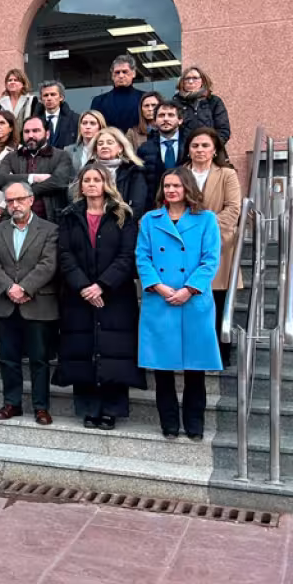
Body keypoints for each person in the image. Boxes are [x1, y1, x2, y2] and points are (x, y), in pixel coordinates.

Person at [53, 164, 144, 430]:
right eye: (87, 180)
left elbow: (127, 256)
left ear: (106, 183)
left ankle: (111, 410)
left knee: (114, 351)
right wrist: (83, 286)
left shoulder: (122, 215)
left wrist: (102, 285)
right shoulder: (69, 215)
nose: (92, 184)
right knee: (83, 351)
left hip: (114, 295)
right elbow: (65, 254)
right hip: (78, 296)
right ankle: (89, 409)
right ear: (80, 186)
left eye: (97, 179)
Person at [137, 168, 222, 440]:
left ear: (187, 188)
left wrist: (189, 289)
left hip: (194, 301)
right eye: (167, 185)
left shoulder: (206, 219)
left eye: (176, 185)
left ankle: (195, 424)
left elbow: (210, 259)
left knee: (195, 368)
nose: (171, 190)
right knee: (163, 368)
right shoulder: (151, 220)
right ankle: (169, 424)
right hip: (159, 300)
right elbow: (143, 257)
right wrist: (160, 287)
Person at [0, 182, 59, 425]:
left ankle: (41, 407)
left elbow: (48, 264)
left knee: (39, 359)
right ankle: (12, 403)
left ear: (30, 200)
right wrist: (9, 288)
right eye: (8, 201)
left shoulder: (49, 229)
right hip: (6, 305)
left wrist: (25, 288)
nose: (14, 205)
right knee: (8, 358)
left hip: (37, 304)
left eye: (18, 199)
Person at [186, 127, 242, 367]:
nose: (200, 150)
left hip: (219, 245)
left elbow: (233, 210)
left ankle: (221, 353)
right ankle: (195, 352)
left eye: (205, 145)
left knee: (218, 302)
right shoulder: (178, 174)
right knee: (192, 302)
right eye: (195, 145)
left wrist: (204, 228)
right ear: (188, 149)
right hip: (185, 246)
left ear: (215, 149)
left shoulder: (227, 174)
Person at [0, 115, 76, 222]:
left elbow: (59, 181)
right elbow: (1, 179)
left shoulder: (61, 155)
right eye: (27, 131)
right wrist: (32, 178)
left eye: (36, 131)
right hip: (16, 219)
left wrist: (24, 192)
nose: (30, 135)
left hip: (51, 219)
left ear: (47, 134)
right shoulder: (12, 157)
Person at [136, 99, 190, 214]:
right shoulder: (144, 149)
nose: (165, 119)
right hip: (156, 209)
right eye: (161, 115)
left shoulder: (190, 145)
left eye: (170, 115)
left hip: (188, 207)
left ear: (180, 120)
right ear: (155, 121)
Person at [91, 127, 148, 221]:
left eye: (110, 143)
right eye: (100, 143)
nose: (104, 146)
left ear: (120, 148)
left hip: (122, 224)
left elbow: (137, 207)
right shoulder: (88, 169)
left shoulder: (133, 171)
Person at [173, 65, 231, 147]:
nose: (190, 81)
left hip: (211, 153)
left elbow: (223, 131)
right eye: (187, 78)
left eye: (195, 78)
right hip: (183, 154)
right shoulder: (175, 103)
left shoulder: (214, 101)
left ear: (203, 81)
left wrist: (210, 147)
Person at [88, 55, 145, 132]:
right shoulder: (99, 101)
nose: (121, 76)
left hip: (139, 142)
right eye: (117, 72)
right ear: (112, 75)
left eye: (125, 72)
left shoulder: (144, 99)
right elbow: (95, 128)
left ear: (133, 73)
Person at [0, 68, 38, 136]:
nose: (12, 82)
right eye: (9, 80)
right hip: (6, 140)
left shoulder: (32, 101)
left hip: (26, 139)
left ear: (23, 84)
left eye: (16, 80)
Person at [37, 81, 79, 150]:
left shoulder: (75, 119)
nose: (49, 98)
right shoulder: (33, 121)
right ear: (41, 99)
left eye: (53, 94)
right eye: (46, 95)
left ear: (61, 97)